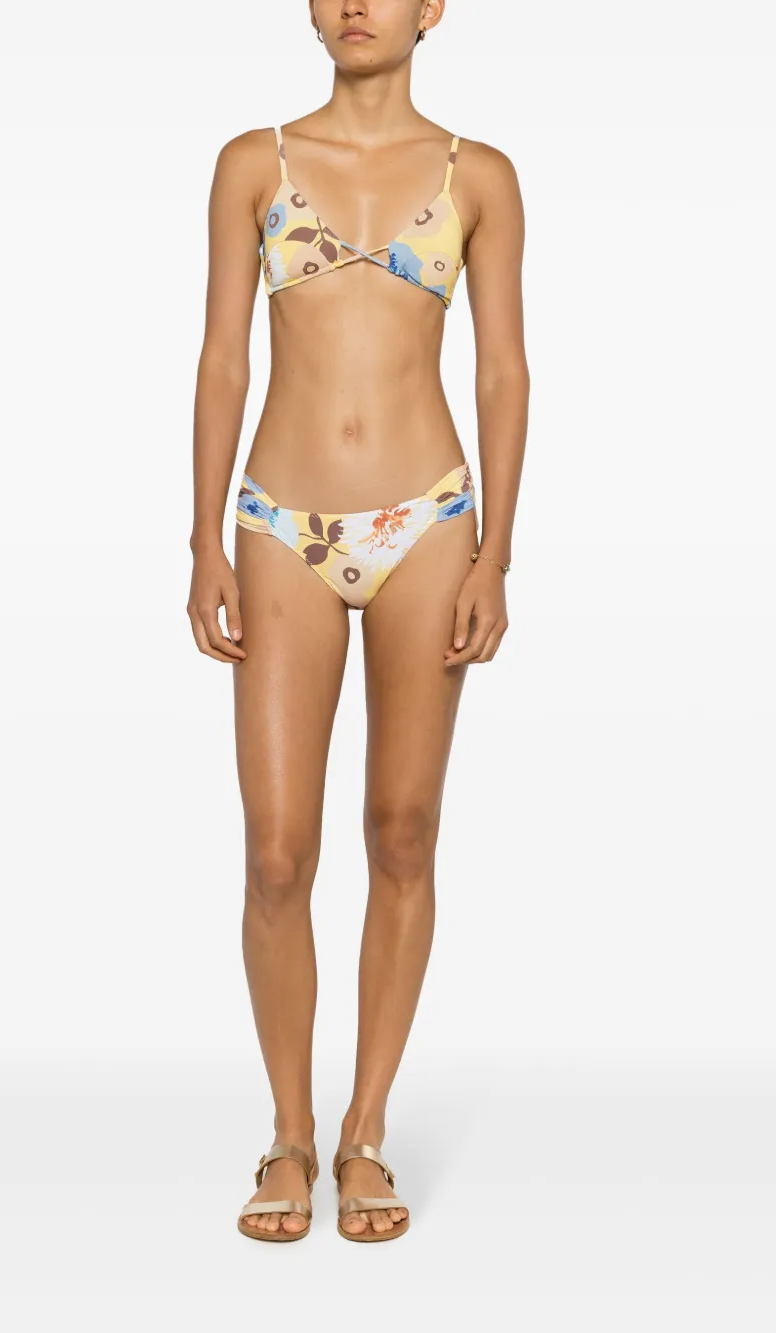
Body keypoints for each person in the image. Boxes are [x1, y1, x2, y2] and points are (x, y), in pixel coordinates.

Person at [187, 0, 528, 1243]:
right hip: (281, 521)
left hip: (426, 520)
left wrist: (495, 551)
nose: (353, 4)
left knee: (402, 830)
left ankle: (364, 1130)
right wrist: (203, 538)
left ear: (432, 9)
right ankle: (287, 1131)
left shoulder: (478, 176)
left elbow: (501, 368)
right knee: (277, 850)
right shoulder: (253, 162)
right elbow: (223, 358)